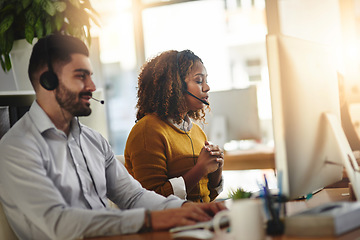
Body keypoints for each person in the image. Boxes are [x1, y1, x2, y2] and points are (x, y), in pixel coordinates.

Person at [0, 34, 226, 240]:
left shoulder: (93, 141)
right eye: (81, 76)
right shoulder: (16, 148)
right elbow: (58, 224)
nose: (92, 86)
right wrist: (150, 219)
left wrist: (185, 208)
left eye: (90, 75)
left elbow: (134, 197)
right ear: (47, 80)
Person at [124, 50, 224, 203]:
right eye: (199, 81)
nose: (207, 87)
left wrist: (216, 170)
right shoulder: (147, 131)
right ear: (176, 86)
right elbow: (152, 199)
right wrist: (200, 169)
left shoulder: (196, 131)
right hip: (171, 224)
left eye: (206, 80)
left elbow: (206, 196)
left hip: (200, 219)